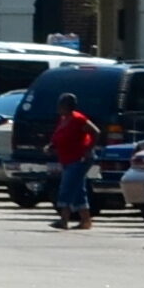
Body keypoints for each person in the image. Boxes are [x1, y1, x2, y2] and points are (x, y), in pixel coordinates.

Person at [49, 97, 101, 230]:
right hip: (67, 159)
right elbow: (59, 137)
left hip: (80, 159)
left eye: (61, 105)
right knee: (78, 190)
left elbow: (95, 132)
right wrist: (51, 146)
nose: (58, 108)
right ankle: (85, 221)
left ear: (68, 106)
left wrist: (88, 149)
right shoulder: (63, 119)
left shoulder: (78, 119)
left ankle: (63, 220)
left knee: (67, 187)